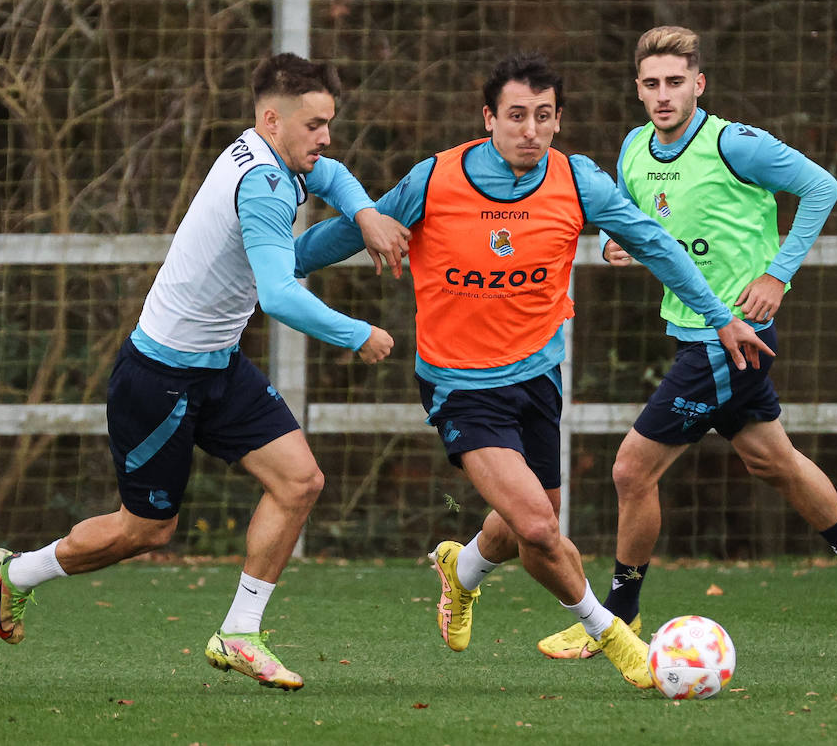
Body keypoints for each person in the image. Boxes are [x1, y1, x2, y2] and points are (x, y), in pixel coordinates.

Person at [292, 51, 771, 690]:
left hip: (538, 377)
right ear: (489, 118)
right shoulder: (436, 179)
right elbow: (358, 230)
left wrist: (719, 316)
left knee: (525, 519)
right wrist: (273, 263)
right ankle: (617, 637)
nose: (531, 130)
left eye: (544, 117)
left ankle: (459, 573)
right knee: (541, 527)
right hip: (459, 383)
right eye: (516, 116)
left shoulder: (578, 181)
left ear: (557, 119)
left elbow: (656, 245)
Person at [0, 53, 402, 691]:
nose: (325, 137)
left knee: (300, 482)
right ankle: (18, 574)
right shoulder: (260, 183)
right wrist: (358, 334)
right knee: (147, 529)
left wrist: (366, 214)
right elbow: (279, 296)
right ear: (272, 119)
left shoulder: (274, 156)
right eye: (314, 125)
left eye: (327, 123)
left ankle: (239, 632)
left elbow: (334, 175)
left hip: (218, 367)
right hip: (158, 380)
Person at [522, 25, 837, 662]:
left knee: (629, 470)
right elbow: (631, 223)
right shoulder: (633, 148)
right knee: (771, 460)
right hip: (691, 333)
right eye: (652, 84)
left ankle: (617, 616)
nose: (663, 94)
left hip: (728, 338)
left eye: (676, 82)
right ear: (638, 90)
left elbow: (822, 188)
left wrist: (777, 273)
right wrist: (612, 245)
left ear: (699, 84)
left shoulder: (734, 144)